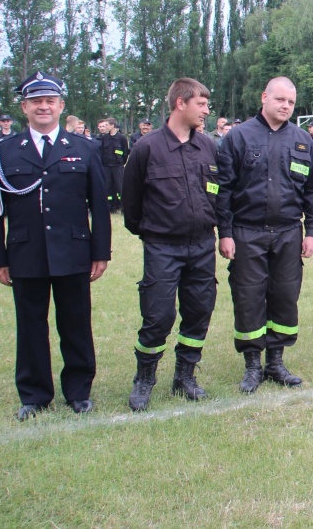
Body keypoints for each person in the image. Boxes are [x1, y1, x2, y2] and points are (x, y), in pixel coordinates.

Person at [0, 72, 111, 420]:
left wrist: (101, 252)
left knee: (75, 324)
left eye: (49, 101)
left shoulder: (84, 148)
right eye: (36, 101)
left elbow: (98, 206)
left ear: (60, 106)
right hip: (26, 252)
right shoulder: (2, 151)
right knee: (30, 326)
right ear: (24, 107)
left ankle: (79, 391)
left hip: (73, 251)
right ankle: (35, 396)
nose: (43, 106)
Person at [121, 78, 219, 411]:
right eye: (201, 104)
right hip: (163, 246)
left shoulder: (208, 147)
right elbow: (131, 204)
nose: (206, 110)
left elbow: (220, 193)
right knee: (158, 315)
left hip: (202, 244)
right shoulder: (147, 148)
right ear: (180, 103)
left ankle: (185, 376)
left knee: (199, 311)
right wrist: (153, 232)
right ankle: (145, 378)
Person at [217, 77, 313, 392]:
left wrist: (312, 230)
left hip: (289, 232)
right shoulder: (238, 137)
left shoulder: (303, 140)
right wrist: (226, 232)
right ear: (264, 98)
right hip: (248, 232)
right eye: (280, 100)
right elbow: (223, 190)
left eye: (290, 102)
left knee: (285, 297)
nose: (285, 106)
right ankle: (252, 365)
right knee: (249, 297)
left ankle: (275, 362)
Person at [98, 117, 128, 213]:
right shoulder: (105, 138)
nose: (105, 127)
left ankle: (124, 207)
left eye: (107, 125)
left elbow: (125, 153)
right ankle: (110, 207)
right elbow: (102, 151)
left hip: (118, 167)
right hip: (107, 166)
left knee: (120, 187)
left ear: (112, 126)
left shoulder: (122, 138)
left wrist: (120, 163)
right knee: (108, 188)